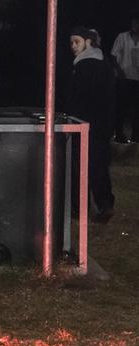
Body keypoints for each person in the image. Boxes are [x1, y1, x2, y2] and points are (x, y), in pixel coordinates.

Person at [66, 27, 115, 223]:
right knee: (98, 165)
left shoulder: (85, 65)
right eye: (71, 42)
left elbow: (78, 97)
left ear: (88, 42)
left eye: (77, 42)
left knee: (82, 165)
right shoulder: (104, 63)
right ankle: (104, 203)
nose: (73, 47)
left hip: (85, 122)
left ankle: (80, 207)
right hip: (101, 124)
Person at [110, 12, 139, 143]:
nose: (135, 26)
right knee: (121, 108)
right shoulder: (122, 37)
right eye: (134, 23)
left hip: (137, 79)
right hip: (123, 78)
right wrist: (119, 72)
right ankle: (119, 135)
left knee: (136, 110)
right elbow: (114, 56)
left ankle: (136, 136)